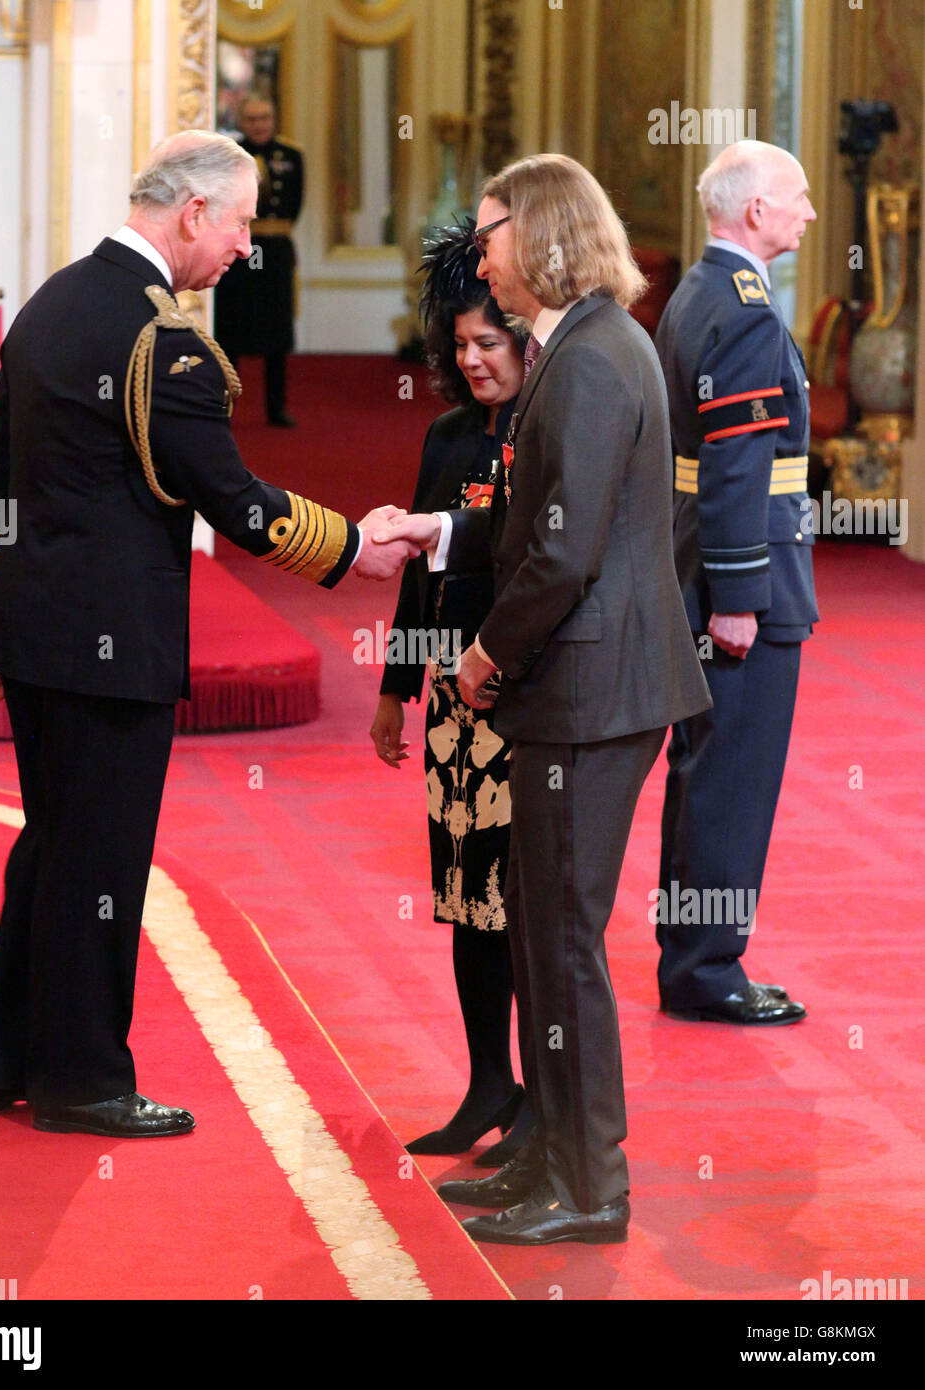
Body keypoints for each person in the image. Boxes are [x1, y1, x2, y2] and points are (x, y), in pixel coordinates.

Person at [0, 130, 416, 1140]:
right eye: (242, 223)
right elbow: (235, 503)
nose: (247, 246)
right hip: (111, 645)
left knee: (52, 847)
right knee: (102, 865)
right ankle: (82, 1080)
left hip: (38, 636)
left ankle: (6, 1057)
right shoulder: (157, 340)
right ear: (192, 214)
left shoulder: (50, 304)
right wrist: (354, 548)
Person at [378, 154, 711, 1245]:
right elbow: (547, 524)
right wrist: (443, 531)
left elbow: (564, 559)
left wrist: (476, 660)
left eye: (492, 232)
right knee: (541, 937)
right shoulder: (580, 346)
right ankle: (550, 1161)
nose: (479, 254)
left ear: (545, 231)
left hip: (588, 686)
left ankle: (590, 1183)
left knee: (561, 943)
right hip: (580, 681)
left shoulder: (592, 357)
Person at [370, 221, 532, 1162]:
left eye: (490, 344)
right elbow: (416, 576)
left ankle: (535, 1100)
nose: (473, 360)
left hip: (521, 700)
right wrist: (397, 690)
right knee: (464, 900)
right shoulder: (442, 437)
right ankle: (486, 1085)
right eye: (460, 345)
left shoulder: (547, 426)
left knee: (514, 903)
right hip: (449, 701)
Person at [654, 140, 818, 1025]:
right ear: (754, 211)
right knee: (730, 782)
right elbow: (735, 465)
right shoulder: (746, 310)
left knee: (703, 773)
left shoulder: (699, 291)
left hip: (701, 566)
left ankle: (690, 957)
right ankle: (707, 970)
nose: (808, 212)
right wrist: (740, 599)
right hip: (745, 580)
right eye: (796, 198)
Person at [212, 95, 302, 427]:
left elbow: (296, 206)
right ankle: (224, 405)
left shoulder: (292, 156)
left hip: (275, 251)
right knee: (231, 327)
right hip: (239, 248)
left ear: (274, 119)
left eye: (264, 117)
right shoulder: (227, 158)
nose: (258, 124)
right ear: (242, 122)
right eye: (251, 119)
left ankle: (276, 408)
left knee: (277, 330)